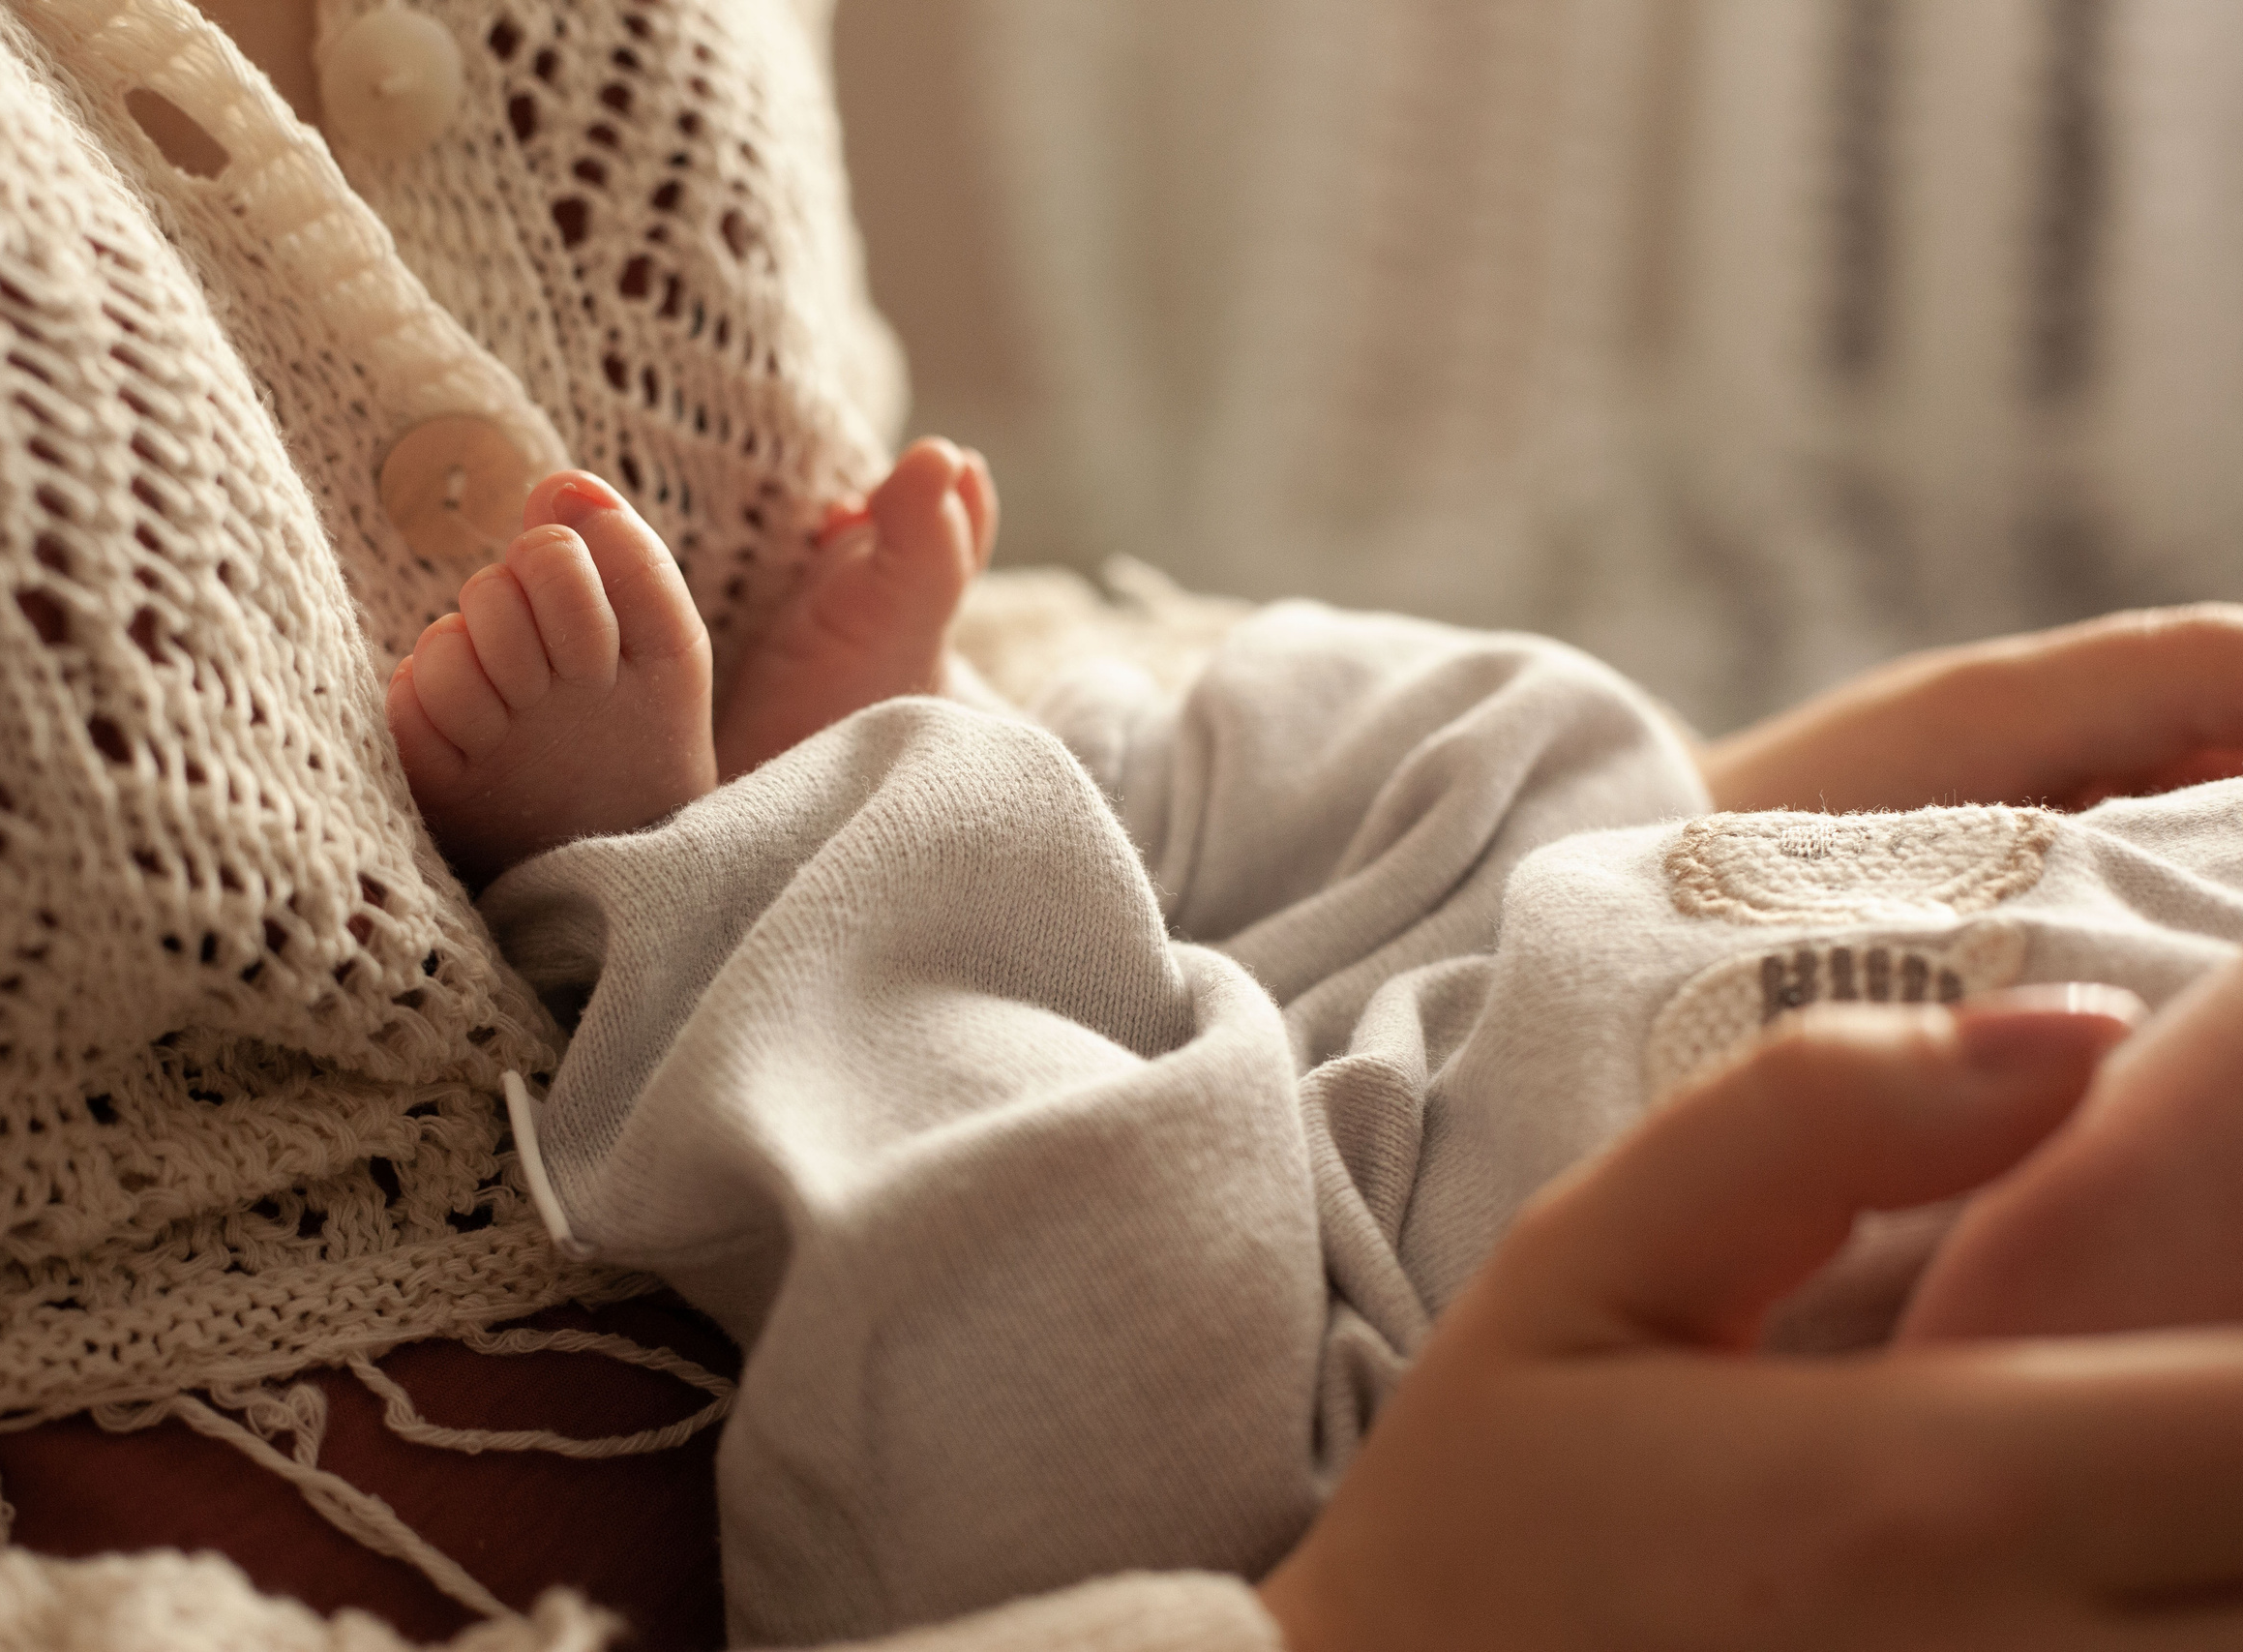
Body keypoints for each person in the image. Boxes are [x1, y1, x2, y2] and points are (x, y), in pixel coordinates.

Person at [389, 457, 2243, 1644]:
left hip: (1390, 1420)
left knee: (1075, 1293)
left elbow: (2057, 1306)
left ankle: (686, 885)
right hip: (1635, 967)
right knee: (1547, 741)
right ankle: (994, 773)